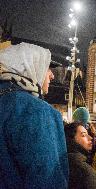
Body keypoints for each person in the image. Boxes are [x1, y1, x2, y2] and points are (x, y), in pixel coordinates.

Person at [0, 42, 68, 188]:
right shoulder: (36, 111)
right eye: (47, 67)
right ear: (30, 66)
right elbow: (47, 179)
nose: (52, 75)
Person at [64, 122, 96, 189]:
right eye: (83, 135)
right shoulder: (84, 170)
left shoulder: (65, 160)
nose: (90, 138)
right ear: (71, 139)